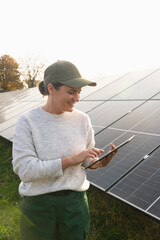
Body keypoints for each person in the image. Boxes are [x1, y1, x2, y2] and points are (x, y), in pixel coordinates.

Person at [12, 60, 117, 240]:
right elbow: (25, 170)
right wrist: (70, 160)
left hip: (75, 205)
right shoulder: (28, 121)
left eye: (79, 92)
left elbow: (85, 161)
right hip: (39, 207)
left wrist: (98, 163)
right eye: (71, 91)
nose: (77, 98)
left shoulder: (82, 120)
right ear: (51, 89)